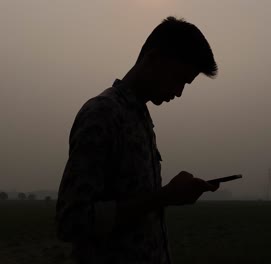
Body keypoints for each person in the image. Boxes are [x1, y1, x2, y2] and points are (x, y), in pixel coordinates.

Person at [56, 16, 219, 264]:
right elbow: (72, 221)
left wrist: (175, 195)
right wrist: (165, 197)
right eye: (178, 79)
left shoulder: (140, 118)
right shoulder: (102, 114)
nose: (178, 92)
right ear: (153, 59)